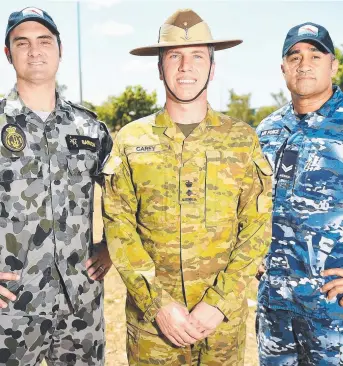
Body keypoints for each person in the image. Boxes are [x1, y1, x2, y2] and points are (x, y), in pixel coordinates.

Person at [102, 8, 272, 366]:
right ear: (159, 66)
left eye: (197, 56)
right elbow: (119, 229)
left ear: (212, 67)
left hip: (221, 328)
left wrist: (219, 303)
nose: (185, 67)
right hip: (153, 330)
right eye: (174, 56)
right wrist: (158, 305)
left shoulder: (242, 139)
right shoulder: (132, 140)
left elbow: (256, 229)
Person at [0, 7, 112, 365]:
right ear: (8, 53)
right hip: (11, 309)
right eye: (23, 42)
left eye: (44, 41)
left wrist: (110, 246)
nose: (35, 50)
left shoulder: (90, 128)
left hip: (81, 308)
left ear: (59, 50)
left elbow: (126, 196)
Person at [256, 22, 343, 365]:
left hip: (333, 311)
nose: (304, 64)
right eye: (294, 56)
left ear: (333, 65)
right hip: (275, 308)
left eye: (315, 55)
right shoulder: (267, 131)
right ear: (283, 69)